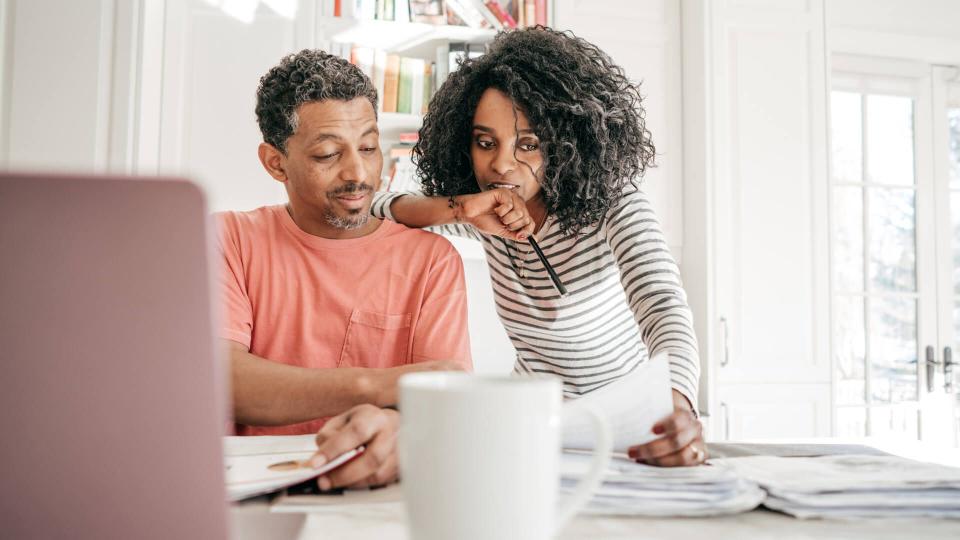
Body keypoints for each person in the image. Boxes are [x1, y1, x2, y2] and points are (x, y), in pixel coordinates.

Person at [371, 27, 706, 466]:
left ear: (568, 143)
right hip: (534, 426)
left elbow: (663, 305)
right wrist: (462, 209)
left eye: (528, 144)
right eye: (485, 142)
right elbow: (379, 205)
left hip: (627, 427)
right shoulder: (487, 214)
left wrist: (678, 402)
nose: (501, 164)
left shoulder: (615, 206)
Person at [216, 49, 472, 486]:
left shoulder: (432, 263)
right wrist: (375, 387)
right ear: (275, 162)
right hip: (244, 491)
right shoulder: (231, 239)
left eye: (369, 147)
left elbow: (443, 403)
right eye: (328, 154)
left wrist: (401, 431)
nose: (359, 173)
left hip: (379, 492)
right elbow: (219, 378)